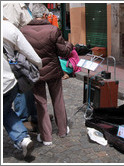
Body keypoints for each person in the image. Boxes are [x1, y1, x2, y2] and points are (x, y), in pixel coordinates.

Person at [21, 4, 73, 146]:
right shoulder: (53, 30)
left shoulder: (23, 30)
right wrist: (70, 45)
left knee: (40, 103)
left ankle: (46, 137)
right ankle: (62, 130)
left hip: (35, 71)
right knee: (58, 99)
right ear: (45, 15)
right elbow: (64, 52)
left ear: (33, 15)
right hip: (53, 71)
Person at [3, 19, 42, 158]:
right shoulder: (7, 27)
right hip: (8, 81)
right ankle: (22, 139)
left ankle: (21, 138)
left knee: (5, 111)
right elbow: (30, 53)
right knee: (6, 110)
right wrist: (39, 64)